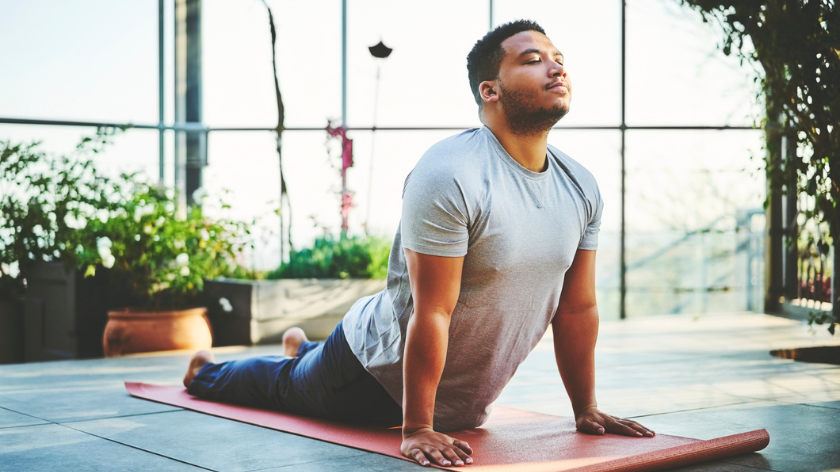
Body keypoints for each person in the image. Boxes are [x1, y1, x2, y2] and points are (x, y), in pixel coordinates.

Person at [183, 19, 654, 468]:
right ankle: (207, 370)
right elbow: (433, 310)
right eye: (533, 59)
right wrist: (417, 427)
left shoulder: (580, 184)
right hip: (372, 373)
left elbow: (576, 309)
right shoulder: (450, 171)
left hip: (455, 396)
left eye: (559, 58)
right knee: (285, 386)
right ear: (490, 90)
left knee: (302, 368)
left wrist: (585, 407)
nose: (557, 67)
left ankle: (301, 348)